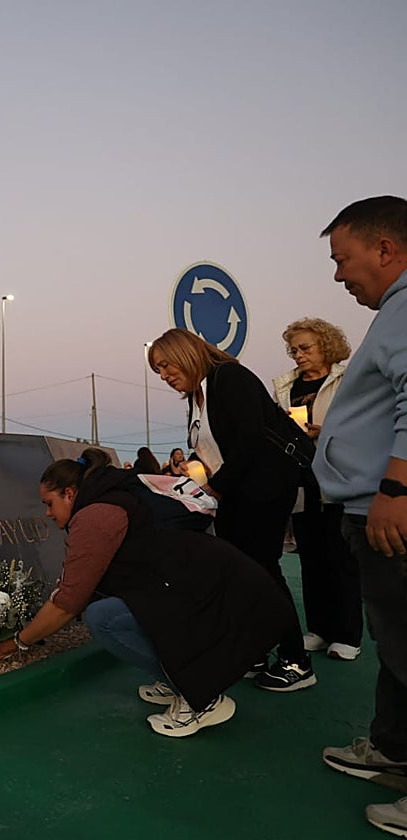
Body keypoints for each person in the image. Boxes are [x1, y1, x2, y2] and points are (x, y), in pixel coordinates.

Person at [0, 448, 295, 738]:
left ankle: (201, 697)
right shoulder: (110, 496)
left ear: (69, 493)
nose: (48, 514)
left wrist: (18, 642)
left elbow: (69, 602)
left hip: (206, 590)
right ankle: (179, 679)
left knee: (102, 619)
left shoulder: (95, 516)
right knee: (110, 609)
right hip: (199, 584)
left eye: (49, 503)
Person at [309, 196, 407, 837]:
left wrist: (395, 490)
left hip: (388, 508)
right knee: (396, 645)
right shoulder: (393, 311)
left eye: (344, 259)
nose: (340, 275)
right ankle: (395, 747)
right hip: (371, 503)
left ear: (385, 249)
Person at [147, 327, 317, 691]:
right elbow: (209, 449)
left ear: (186, 353)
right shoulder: (197, 396)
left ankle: (296, 660)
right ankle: (255, 650)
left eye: (165, 365)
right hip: (235, 495)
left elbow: (251, 439)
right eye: (157, 370)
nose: (163, 375)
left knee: (262, 572)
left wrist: (215, 486)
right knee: (239, 574)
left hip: (263, 491)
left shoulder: (229, 378)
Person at [272, 317, 362, 661]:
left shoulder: (345, 380)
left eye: (305, 347)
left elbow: (360, 425)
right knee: (311, 559)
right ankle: (321, 629)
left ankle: (348, 635)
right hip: (300, 482)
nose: (298, 355)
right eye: (294, 349)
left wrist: (324, 431)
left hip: (338, 478)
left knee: (340, 558)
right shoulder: (284, 387)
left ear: (326, 345)